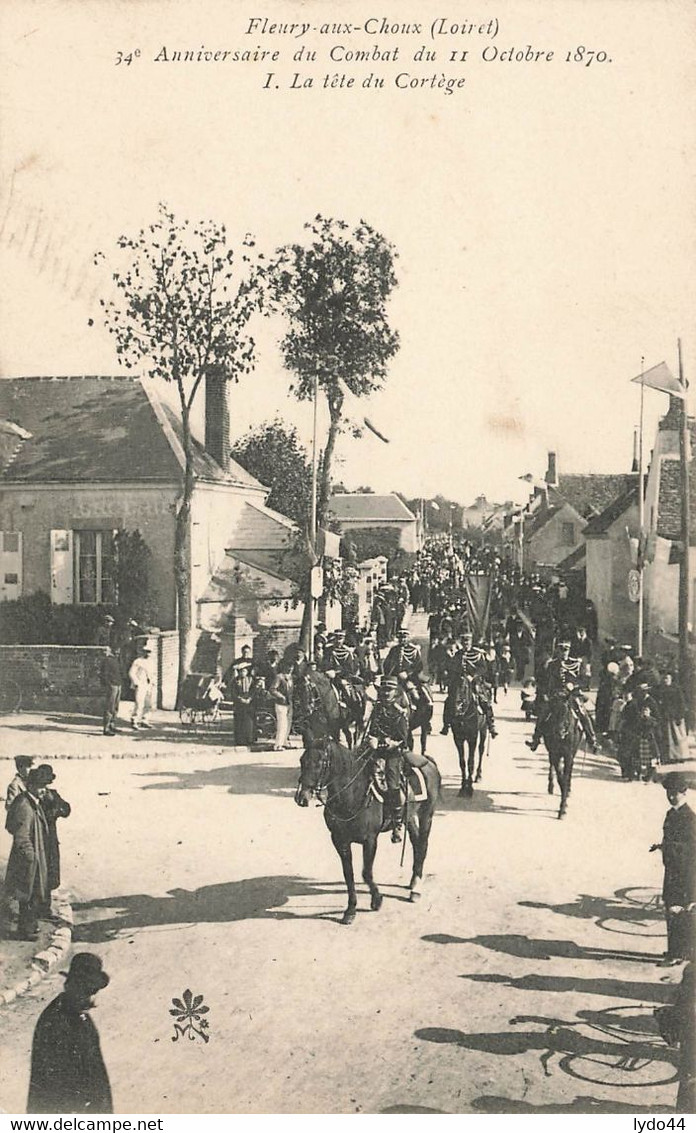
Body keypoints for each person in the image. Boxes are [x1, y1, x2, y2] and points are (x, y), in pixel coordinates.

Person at [27, 953, 113, 1114]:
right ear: (75, 986)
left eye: (93, 990)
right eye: (88, 990)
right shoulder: (56, 1021)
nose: (93, 997)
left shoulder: (79, 1015)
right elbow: (55, 1084)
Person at [650, 772, 696, 965]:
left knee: (678, 912)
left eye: (674, 793)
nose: (670, 796)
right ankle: (676, 951)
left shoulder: (689, 818)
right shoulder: (672, 813)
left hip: (685, 873)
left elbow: (691, 848)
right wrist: (662, 846)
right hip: (673, 870)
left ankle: (677, 954)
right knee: (672, 911)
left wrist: (670, 847)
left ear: (683, 793)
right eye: (668, 792)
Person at [4, 768, 50, 940]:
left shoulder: (31, 801)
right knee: (28, 895)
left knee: (32, 894)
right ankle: (26, 931)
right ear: (30, 785)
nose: (43, 789)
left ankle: (30, 927)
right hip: (28, 860)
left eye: (45, 785)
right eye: (40, 786)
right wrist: (32, 858)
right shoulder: (25, 805)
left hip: (33, 857)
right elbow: (21, 837)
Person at [527, 640, 597, 753]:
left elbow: (583, 680)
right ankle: (536, 738)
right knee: (544, 713)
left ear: (569, 651)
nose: (564, 652)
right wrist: (547, 693)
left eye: (566, 650)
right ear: (557, 651)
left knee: (583, 713)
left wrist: (573, 685)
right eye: (561, 650)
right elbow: (546, 681)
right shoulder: (551, 665)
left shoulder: (576, 664)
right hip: (556, 696)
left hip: (572, 696)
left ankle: (592, 740)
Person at [366, 676, 410, 842]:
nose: (385, 693)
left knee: (392, 783)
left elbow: (403, 738)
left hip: (393, 753)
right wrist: (371, 739)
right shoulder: (377, 709)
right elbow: (371, 730)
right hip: (374, 750)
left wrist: (388, 743)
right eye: (383, 690)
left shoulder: (399, 712)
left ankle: (397, 822)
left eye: (389, 690)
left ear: (395, 692)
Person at [34, 764, 71, 906]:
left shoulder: (53, 794)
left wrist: (57, 810)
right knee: (39, 874)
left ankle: (46, 907)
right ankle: (41, 907)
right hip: (39, 838)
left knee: (51, 873)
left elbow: (66, 809)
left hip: (51, 839)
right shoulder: (35, 795)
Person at [657, 672, 689, 763]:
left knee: (678, 737)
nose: (665, 680)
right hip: (666, 716)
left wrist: (680, 715)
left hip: (676, 716)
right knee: (667, 737)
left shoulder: (676, 689)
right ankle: (669, 757)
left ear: (671, 679)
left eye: (667, 678)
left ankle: (680, 756)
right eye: (663, 678)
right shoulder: (661, 690)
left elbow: (681, 703)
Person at [128, 645, 154, 729]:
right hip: (141, 684)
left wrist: (153, 682)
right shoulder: (138, 661)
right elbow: (131, 673)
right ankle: (135, 720)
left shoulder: (152, 662)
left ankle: (145, 720)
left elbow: (153, 674)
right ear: (143, 652)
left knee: (149, 704)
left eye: (149, 651)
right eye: (146, 651)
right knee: (139, 703)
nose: (148, 653)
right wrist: (136, 682)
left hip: (149, 685)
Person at [270, 660, 294, 751]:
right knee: (282, 724)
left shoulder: (291, 677)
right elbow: (272, 689)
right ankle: (278, 745)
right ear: (284, 667)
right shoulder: (279, 677)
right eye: (288, 666)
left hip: (289, 703)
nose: (290, 669)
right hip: (281, 704)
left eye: (292, 667)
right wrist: (281, 696)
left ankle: (284, 742)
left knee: (288, 724)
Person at [100, 644, 122, 736]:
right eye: (116, 651)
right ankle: (106, 728)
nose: (118, 652)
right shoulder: (107, 660)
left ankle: (112, 725)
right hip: (112, 686)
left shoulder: (116, 660)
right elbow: (103, 674)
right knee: (110, 706)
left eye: (119, 651)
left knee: (115, 707)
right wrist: (108, 684)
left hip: (118, 685)